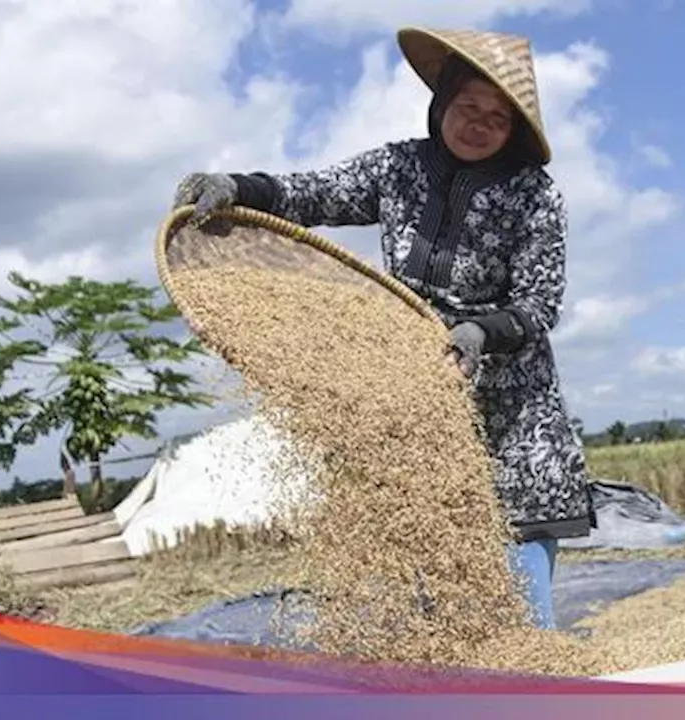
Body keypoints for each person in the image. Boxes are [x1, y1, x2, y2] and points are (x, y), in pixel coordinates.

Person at [170, 27, 594, 631]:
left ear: (515, 133)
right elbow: (312, 192)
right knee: (430, 554)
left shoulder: (534, 198)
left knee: (517, 569)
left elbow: (539, 304)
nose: (478, 124)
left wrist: (477, 334)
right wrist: (240, 188)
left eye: (497, 119)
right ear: (442, 102)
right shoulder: (399, 168)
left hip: (509, 408)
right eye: (468, 107)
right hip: (413, 389)